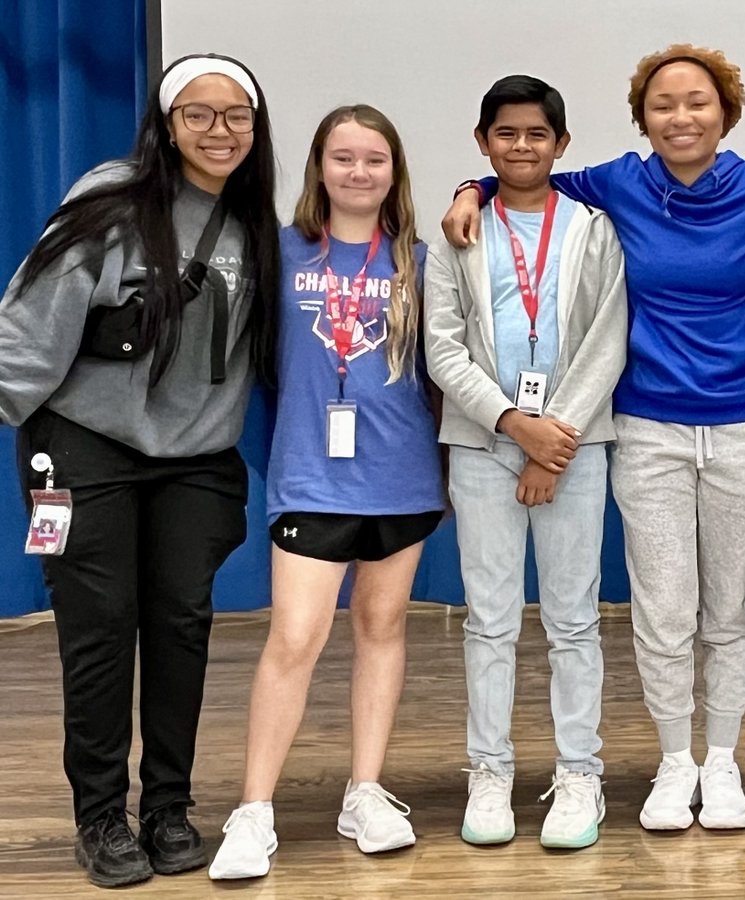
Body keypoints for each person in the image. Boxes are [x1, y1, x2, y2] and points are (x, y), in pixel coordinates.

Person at [443, 44, 745, 833]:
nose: (681, 117)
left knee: (729, 609)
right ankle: (676, 762)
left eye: (697, 102)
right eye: (663, 104)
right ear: (644, 118)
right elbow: (527, 178)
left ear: (724, 111)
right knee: (663, 610)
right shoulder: (620, 184)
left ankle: (725, 762)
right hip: (646, 426)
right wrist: (471, 187)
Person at [0, 53, 279, 887]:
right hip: (85, 443)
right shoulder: (111, 197)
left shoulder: (253, 223)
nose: (220, 130)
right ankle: (100, 819)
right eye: (200, 114)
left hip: (194, 457)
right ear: (166, 123)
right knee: (98, 629)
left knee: (180, 627)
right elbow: (34, 310)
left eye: (237, 116)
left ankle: (166, 808)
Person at [207, 105, 444, 879]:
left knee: (382, 630)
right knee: (296, 637)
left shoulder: (417, 261)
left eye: (374, 159)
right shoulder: (277, 256)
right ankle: (253, 811)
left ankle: (365, 791)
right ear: (318, 168)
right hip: (311, 479)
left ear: (393, 171)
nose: (358, 172)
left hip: (401, 479)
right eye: (343, 158)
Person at [425, 75, 626, 850]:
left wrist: (555, 436)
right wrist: (513, 422)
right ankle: (490, 770)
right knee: (491, 620)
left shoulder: (594, 229)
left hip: (573, 449)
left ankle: (580, 771)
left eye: (536, 135)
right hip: (482, 445)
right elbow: (442, 345)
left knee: (576, 619)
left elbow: (609, 337)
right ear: (483, 143)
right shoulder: (457, 232)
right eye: (504, 134)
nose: (520, 146)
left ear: (561, 145)